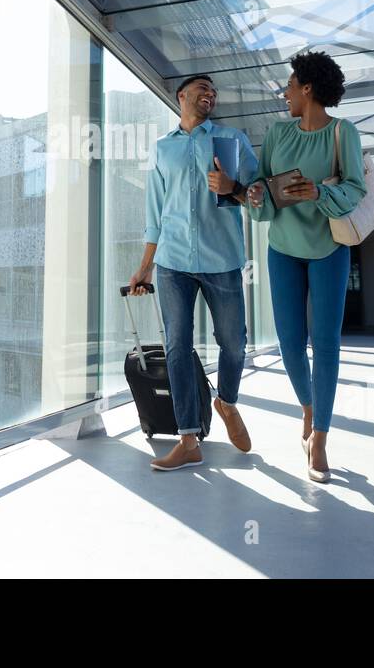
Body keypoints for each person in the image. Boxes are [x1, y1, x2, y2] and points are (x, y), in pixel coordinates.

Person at [245, 51, 366, 483]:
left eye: (291, 85)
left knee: (326, 342)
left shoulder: (342, 132)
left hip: (329, 248)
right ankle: (309, 407)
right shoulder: (278, 133)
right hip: (282, 247)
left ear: (308, 89)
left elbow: (356, 188)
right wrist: (257, 194)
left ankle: (319, 438)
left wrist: (317, 193)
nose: (286, 93)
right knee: (289, 343)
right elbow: (260, 181)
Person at [129, 74, 258, 471]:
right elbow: (156, 210)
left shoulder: (231, 139)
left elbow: (258, 194)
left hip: (222, 259)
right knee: (177, 347)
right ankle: (188, 439)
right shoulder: (163, 148)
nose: (210, 94)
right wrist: (144, 266)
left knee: (233, 343)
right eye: (202, 88)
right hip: (173, 262)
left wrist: (233, 185)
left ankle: (227, 402)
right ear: (182, 96)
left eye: (214, 91)